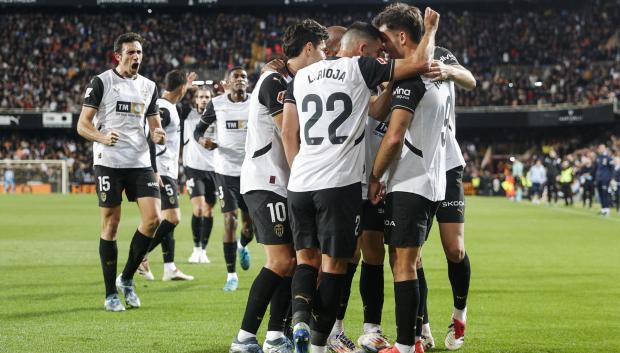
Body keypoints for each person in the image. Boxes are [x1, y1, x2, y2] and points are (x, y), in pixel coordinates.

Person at [282, 9, 437, 353]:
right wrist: (429, 30)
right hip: (338, 184)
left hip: (300, 182)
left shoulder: (303, 76)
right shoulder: (358, 67)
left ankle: (299, 321)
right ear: (364, 51)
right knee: (336, 266)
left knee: (306, 261)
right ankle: (321, 343)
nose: (383, 58)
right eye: (379, 52)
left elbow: (288, 131)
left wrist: (298, 174)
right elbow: (420, 64)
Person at [230, 19, 329, 353]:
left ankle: (275, 335)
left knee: (295, 260)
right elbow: (290, 133)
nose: (326, 55)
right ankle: (244, 337)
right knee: (281, 261)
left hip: (284, 182)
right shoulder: (275, 81)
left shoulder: (290, 78)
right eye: (324, 48)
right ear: (310, 47)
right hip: (266, 179)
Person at [367, 6, 449, 353]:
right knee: (410, 261)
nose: (381, 47)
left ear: (402, 36)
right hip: (429, 181)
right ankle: (415, 338)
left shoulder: (411, 81)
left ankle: (404, 345)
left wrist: (375, 176)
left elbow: (394, 136)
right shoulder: (435, 73)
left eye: (384, 39)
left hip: (411, 183)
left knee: (403, 263)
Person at [76, 32, 165, 311]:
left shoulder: (149, 86)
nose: (136, 57)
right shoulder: (102, 82)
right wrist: (102, 137)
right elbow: (82, 124)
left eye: (139, 52)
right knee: (111, 225)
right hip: (109, 162)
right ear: (118, 55)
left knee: (153, 219)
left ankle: (126, 278)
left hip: (139, 161)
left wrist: (159, 133)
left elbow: (154, 125)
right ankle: (110, 293)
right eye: (130, 52)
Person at [194, 67, 254, 291]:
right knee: (230, 220)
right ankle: (231, 275)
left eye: (243, 77)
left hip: (250, 172)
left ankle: (242, 245)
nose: (240, 80)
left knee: (250, 226)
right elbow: (197, 132)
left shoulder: (256, 103)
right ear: (228, 83)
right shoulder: (217, 104)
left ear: (248, 83)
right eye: (235, 77)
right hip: (225, 172)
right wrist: (203, 142)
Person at [137, 70, 196, 281]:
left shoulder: (167, 104)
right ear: (181, 89)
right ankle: (140, 255)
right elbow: (150, 136)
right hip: (161, 170)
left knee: (166, 219)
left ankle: (169, 268)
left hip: (168, 169)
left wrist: (186, 84)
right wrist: (154, 170)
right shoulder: (163, 109)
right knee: (173, 218)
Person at [184, 86, 217, 264]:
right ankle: (196, 248)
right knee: (198, 208)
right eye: (200, 97)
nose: (204, 100)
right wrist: (186, 88)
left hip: (214, 169)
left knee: (209, 211)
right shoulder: (188, 115)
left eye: (207, 97)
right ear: (195, 100)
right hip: (194, 168)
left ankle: (203, 250)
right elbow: (173, 101)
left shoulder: (217, 116)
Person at [594, 144, 614, 216]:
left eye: (602, 148)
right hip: (598, 179)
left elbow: (612, 169)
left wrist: (611, 178)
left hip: (605, 179)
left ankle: (607, 209)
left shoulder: (608, 158)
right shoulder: (598, 158)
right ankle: (603, 209)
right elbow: (596, 169)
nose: (601, 149)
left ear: (605, 149)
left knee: (605, 194)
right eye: (599, 148)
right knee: (600, 194)